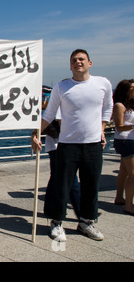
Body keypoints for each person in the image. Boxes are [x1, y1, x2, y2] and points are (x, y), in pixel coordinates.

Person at [31, 49, 113, 242]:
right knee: (62, 185)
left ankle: (86, 222)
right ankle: (57, 223)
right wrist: (36, 133)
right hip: (67, 145)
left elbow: (108, 107)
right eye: (74, 60)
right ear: (70, 65)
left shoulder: (103, 84)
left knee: (91, 186)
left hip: (93, 145)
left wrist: (102, 129)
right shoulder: (62, 86)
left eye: (81, 59)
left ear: (89, 63)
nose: (78, 62)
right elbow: (49, 114)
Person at [112, 79, 134, 215]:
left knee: (124, 171)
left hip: (129, 140)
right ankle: (129, 205)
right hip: (126, 141)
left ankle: (119, 197)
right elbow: (119, 127)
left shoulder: (131, 105)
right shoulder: (119, 106)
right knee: (133, 174)